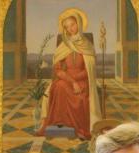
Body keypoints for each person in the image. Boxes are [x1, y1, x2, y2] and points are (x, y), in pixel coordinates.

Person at [37, 7, 101, 140]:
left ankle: (80, 129)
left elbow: (88, 71)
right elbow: (58, 70)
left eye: (73, 24)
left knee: (80, 98)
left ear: (79, 23)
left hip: (83, 81)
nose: (71, 28)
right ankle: (58, 124)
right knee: (59, 86)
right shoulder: (63, 46)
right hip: (66, 80)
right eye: (67, 27)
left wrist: (76, 81)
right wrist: (72, 82)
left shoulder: (87, 45)